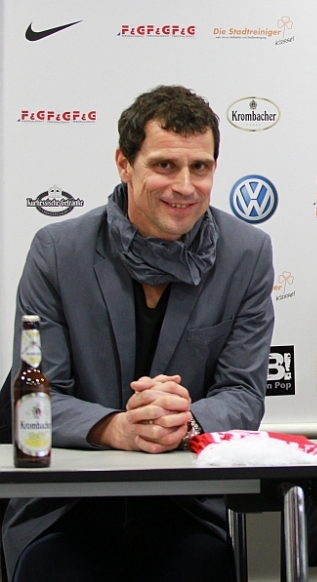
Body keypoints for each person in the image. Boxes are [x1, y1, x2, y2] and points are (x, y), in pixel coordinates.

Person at [1, 85, 275, 581]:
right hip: (65, 508)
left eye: (200, 167)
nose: (185, 186)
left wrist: (184, 419)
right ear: (124, 164)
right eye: (164, 165)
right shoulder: (57, 252)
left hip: (185, 507)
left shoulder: (248, 253)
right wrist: (117, 427)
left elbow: (243, 393)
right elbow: (37, 398)